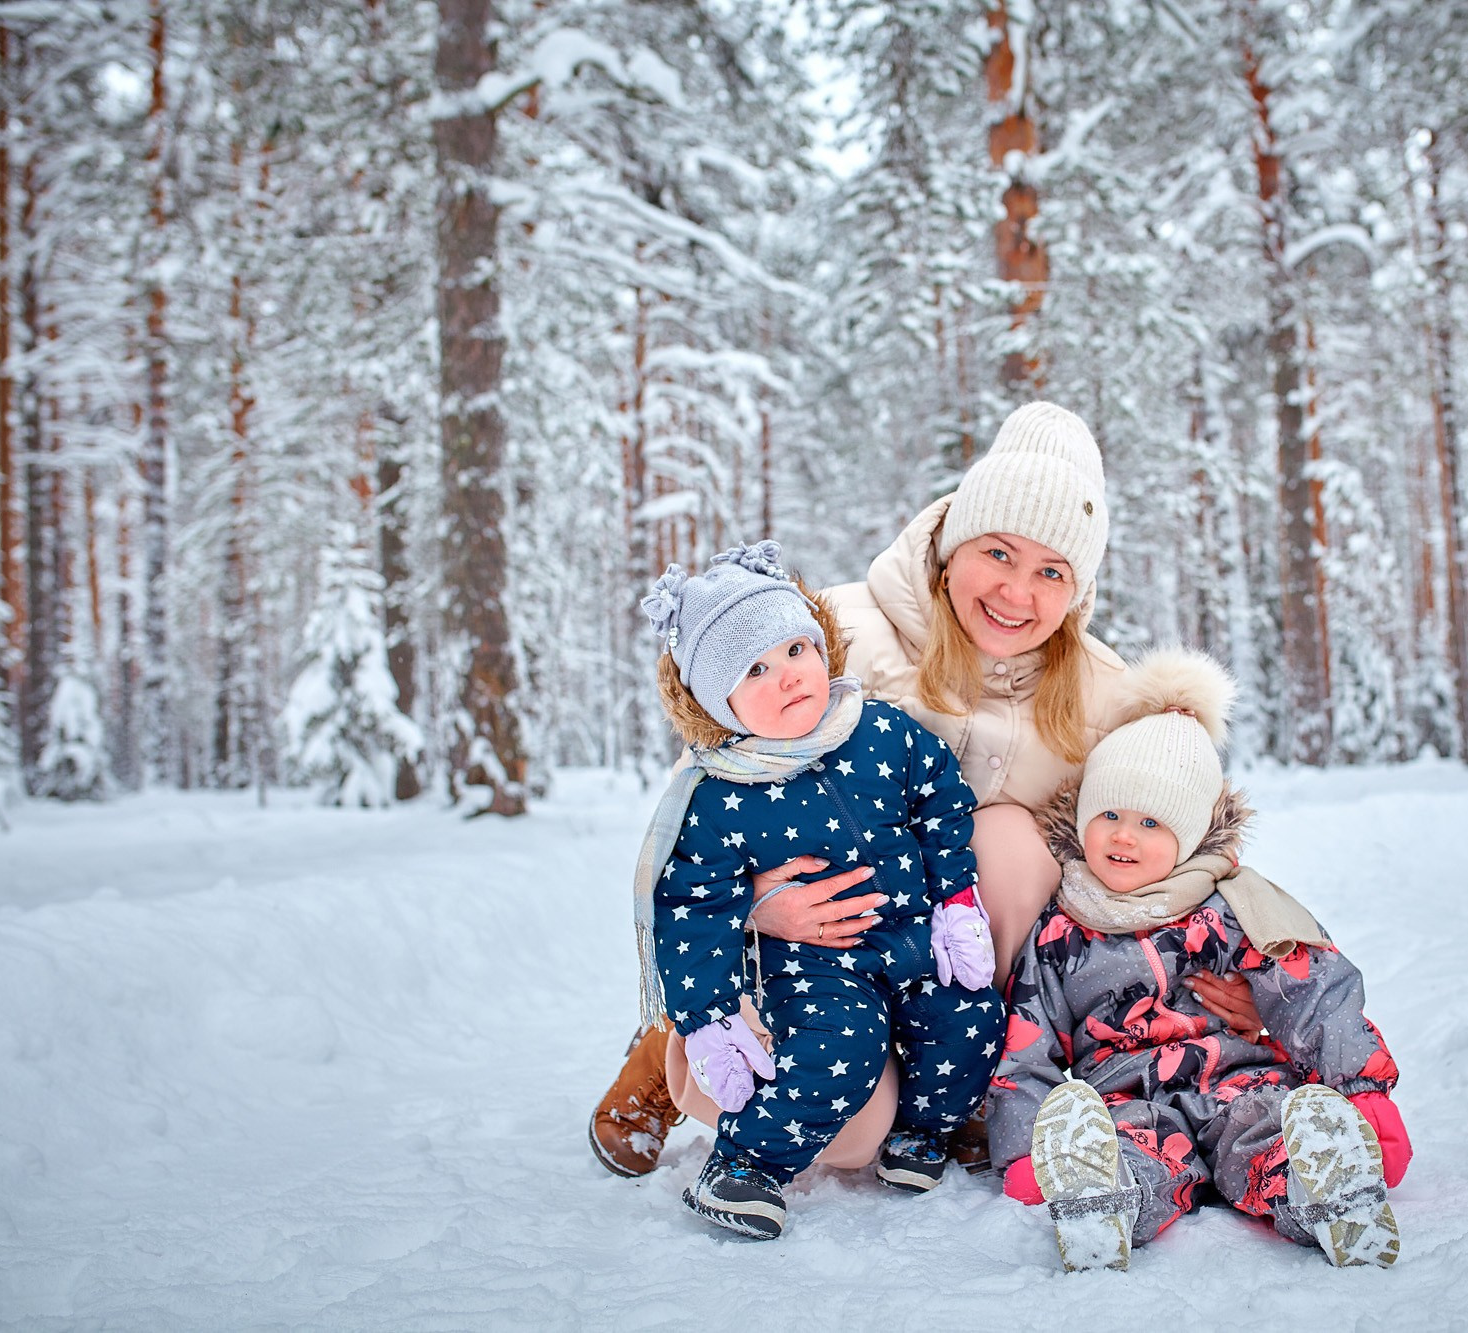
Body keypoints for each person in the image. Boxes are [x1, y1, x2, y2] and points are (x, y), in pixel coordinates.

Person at [591, 401, 1261, 1178]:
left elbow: (1176, 831)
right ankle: (679, 1046)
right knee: (844, 1136)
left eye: (1052, 571)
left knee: (1013, 843)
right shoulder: (835, 633)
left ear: (1078, 591)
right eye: (999, 552)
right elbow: (701, 801)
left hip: (942, 963)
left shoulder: (1101, 694)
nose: (1018, 591)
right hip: (805, 953)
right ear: (951, 544)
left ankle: (969, 1082)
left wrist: (1246, 977)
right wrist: (754, 905)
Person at [987, 649, 1410, 1271]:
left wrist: (1365, 1094)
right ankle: (1103, 1203)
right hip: (1125, 1097)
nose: (1123, 836)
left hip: (1241, 1080)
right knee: (1136, 1153)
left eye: (1152, 822)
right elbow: (1027, 1037)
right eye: (1108, 814)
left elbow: (1315, 994)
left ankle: (1327, 1192)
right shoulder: (1060, 926)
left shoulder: (1235, 908)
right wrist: (1026, 1148)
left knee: (1265, 1134)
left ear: (1188, 835)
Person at [634, 540, 1004, 1239]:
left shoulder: (881, 730)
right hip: (816, 963)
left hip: (911, 931)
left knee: (969, 1012)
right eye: (754, 669)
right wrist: (708, 1015)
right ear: (719, 700)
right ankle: (746, 1163)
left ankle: (925, 1129)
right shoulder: (721, 791)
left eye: (795, 650)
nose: (787, 677)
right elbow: (692, 907)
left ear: (822, 644)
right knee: (839, 1052)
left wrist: (955, 901)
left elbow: (942, 802)